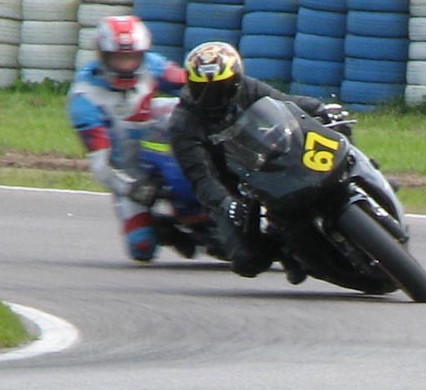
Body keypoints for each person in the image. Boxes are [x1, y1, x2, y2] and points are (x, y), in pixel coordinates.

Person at [168, 41, 345, 283]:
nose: (213, 98)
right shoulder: (182, 124)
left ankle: (363, 172)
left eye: (221, 88)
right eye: (203, 89)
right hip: (231, 188)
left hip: (266, 162)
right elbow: (201, 178)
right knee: (247, 261)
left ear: (235, 80)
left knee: (336, 129)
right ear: (190, 85)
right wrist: (226, 203)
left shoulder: (246, 88)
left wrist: (320, 109)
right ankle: (286, 248)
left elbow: (285, 102)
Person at [67, 15, 197, 262]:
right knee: (142, 248)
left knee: (179, 109)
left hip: (159, 145)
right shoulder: (84, 98)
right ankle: (168, 229)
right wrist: (131, 187)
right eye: (118, 58)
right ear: (103, 56)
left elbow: (191, 85)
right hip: (127, 170)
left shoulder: (153, 65)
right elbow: (100, 163)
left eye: (133, 57)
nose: (126, 65)